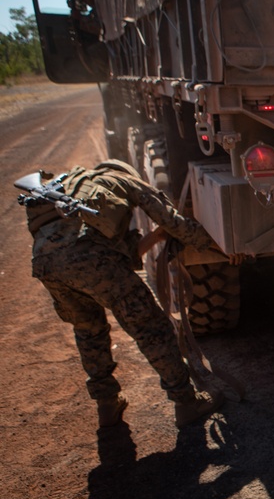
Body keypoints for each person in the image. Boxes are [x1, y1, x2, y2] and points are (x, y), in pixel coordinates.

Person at [22, 160, 225, 429]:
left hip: (47, 266)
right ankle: (187, 404)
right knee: (152, 329)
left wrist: (155, 238)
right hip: (92, 258)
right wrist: (214, 246)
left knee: (89, 332)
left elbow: (116, 258)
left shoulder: (64, 186)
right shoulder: (125, 182)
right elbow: (171, 220)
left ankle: (107, 406)